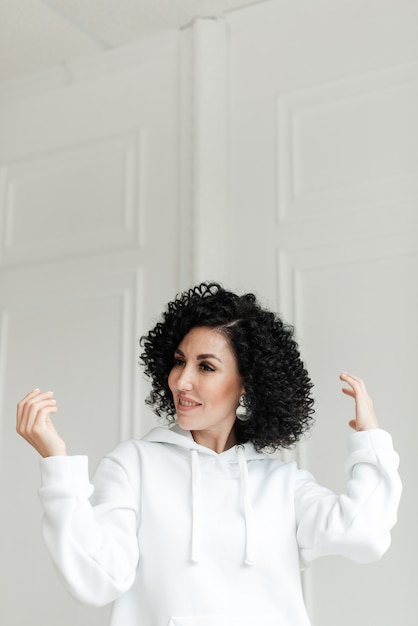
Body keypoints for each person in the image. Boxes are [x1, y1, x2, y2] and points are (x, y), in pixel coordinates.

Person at [16, 281, 401, 626]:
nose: (181, 381)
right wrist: (58, 467)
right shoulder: (133, 466)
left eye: (206, 367)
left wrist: (370, 440)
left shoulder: (283, 485)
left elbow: (365, 536)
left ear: (246, 384)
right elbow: (96, 580)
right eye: (180, 361)